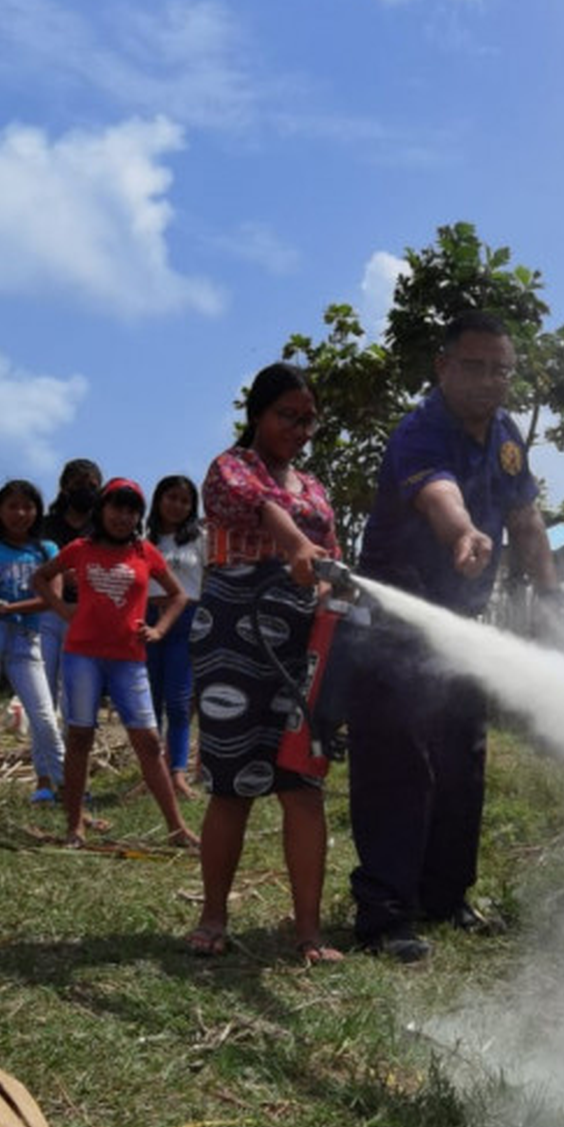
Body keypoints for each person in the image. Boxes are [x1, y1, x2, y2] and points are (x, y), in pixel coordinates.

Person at [348, 310, 559, 962]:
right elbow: (440, 495)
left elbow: (524, 517)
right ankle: (384, 914)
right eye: (475, 366)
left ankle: (444, 897)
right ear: (443, 366)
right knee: (397, 762)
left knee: (461, 757)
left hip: (462, 626)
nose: (490, 380)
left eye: (502, 368)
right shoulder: (419, 431)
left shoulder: (504, 435)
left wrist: (550, 592)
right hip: (397, 625)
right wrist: (463, 533)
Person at [189, 363, 343, 965]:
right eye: (287, 416)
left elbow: (327, 553)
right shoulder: (230, 469)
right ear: (258, 413)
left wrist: (328, 590)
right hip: (235, 634)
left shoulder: (314, 487)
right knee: (233, 786)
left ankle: (308, 933)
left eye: (308, 420)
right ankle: (213, 916)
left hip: (303, 644)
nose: (299, 430)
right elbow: (259, 511)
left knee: (303, 785)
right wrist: (297, 547)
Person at [31, 478, 198, 851]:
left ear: (138, 516)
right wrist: (62, 610)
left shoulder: (145, 552)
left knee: (149, 743)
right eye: (116, 507)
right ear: (102, 510)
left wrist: (158, 630)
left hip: (129, 660)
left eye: (131, 510)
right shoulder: (80, 548)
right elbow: (40, 577)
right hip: (83, 656)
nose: (123, 516)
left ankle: (176, 828)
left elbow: (178, 595)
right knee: (79, 737)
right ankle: (74, 827)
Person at [0, 480, 65, 822]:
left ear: (38, 511)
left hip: (26, 638)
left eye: (28, 506)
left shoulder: (47, 549)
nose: (20, 513)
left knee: (46, 719)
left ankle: (68, 795)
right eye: (12, 506)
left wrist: (9, 607)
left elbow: (52, 598)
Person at [34, 457, 104, 802]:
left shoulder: (100, 528)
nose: (86, 490)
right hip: (46, 615)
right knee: (43, 700)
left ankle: (75, 781)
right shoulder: (46, 526)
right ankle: (43, 780)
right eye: (79, 483)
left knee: (77, 702)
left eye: (92, 485)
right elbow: (35, 569)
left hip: (85, 618)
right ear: (64, 486)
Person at [144, 475, 204, 798]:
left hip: (186, 622)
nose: (177, 505)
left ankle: (177, 773)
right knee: (148, 703)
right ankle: (151, 775)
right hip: (147, 622)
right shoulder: (141, 539)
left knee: (179, 702)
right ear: (158, 500)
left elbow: (214, 580)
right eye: (171, 498)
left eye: (185, 500)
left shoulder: (200, 539)